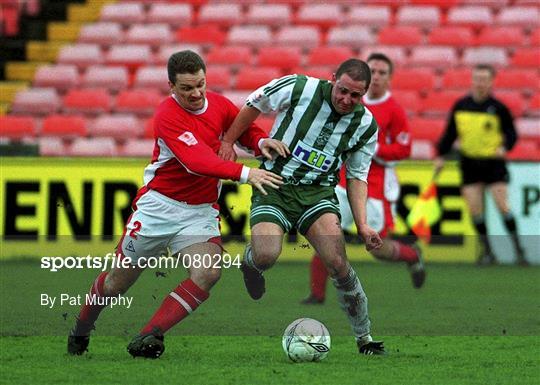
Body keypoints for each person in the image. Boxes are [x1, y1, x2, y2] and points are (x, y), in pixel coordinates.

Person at [67, 50, 287, 358]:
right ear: (172, 87)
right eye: (187, 88)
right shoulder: (167, 115)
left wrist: (261, 142)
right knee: (117, 284)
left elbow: (243, 129)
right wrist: (247, 173)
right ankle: (81, 328)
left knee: (208, 273)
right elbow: (196, 161)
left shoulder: (220, 104)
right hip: (159, 208)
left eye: (200, 84)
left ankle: (150, 334)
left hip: (199, 212)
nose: (196, 93)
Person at [219, 59, 386, 355]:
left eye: (356, 96)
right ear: (333, 79)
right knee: (267, 254)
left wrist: (362, 225)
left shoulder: (365, 125)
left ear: (365, 94)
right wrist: (229, 141)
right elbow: (253, 103)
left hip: (318, 194)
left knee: (338, 263)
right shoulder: (299, 87)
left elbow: (358, 177)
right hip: (274, 184)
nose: (347, 100)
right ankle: (251, 264)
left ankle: (365, 339)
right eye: (343, 90)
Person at [301, 53, 426, 305]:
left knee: (378, 248)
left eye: (383, 72)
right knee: (326, 235)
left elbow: (404, 149)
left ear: (389, 78)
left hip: (374, 186)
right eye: (374, 71)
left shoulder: (394, 110)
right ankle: (317, 295)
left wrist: (374, 149)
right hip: (341, 182)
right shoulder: (348, 102)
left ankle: (411, 255)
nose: (377, 76)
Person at [434, 63, 527, 266]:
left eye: (484, 79)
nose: (480, 83)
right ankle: (488, 252)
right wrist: (441, 155)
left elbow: (511, 134)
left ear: (491, 82)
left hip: (493, 164)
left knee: (502, 205)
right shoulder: (461, 106)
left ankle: (519, 250)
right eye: (477, 79)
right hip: (469, 163)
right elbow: (450, 134)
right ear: (472, 80)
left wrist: (506, 147)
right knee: (475, 210)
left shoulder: (499, 108)